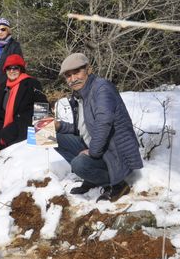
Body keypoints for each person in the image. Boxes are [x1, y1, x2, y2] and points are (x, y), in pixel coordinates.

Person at [54, 53, 143, 202]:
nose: (73, 78)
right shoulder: (80, 94)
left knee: (79, 164)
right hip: (98, 147)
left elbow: (104, 122)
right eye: (68, 76)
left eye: (77, 72)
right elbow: (81, 128)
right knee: (54, 137)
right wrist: (59, 126)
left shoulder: (102, 88)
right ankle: (91, 177)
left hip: (114, 153)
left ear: (89, 70)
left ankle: (117, 184)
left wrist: (92, 152)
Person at [0, 54, 48, 148]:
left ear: (21, 69)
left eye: (15, 68)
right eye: (9, 68)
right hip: (5, 128)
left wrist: (42, 135)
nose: (12, 71)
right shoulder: (2, 88)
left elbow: (42, 107)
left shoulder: (31, 83)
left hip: (26, 128)